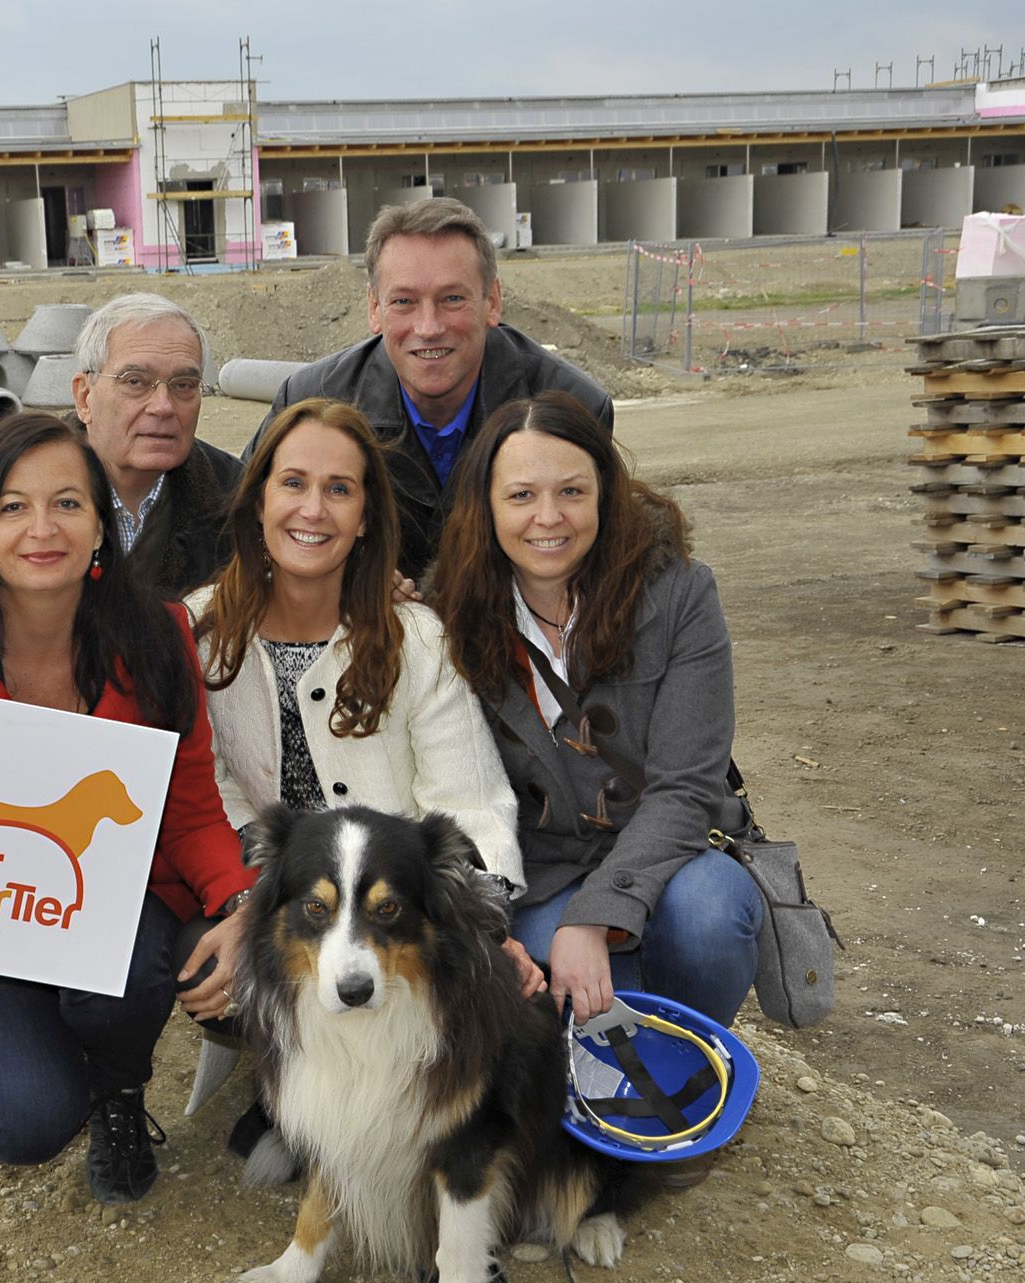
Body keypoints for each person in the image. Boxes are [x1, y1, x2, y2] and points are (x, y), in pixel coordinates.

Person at [0, 411, 256, 1205]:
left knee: (130, 974)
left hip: (105, 914)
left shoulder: (158, 637)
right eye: (13, 507)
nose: (42, 529)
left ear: (104, 524)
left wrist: (242, 904)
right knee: (27, 1121)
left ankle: (121, 1091)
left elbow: (191, 809)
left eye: (67, 503)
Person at [176, 396, 537, 1179]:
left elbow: (468, 801)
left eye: (340, 489)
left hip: (391, 909)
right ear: (259, 498)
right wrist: (248, 903)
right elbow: (205, 795)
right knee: (210, 957)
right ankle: (296, 1090)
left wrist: (487, 925)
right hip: (275, 897)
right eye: (293, 483)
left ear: (368, 516)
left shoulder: (417, 636)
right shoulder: (200, 633)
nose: (314, 508)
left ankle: (376, 1118)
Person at [431, 390, 762, 1038]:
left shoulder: (679, 595)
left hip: (670, 858)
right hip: (541, 873)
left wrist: (595, 916)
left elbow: (687, 786)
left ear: (605, 495)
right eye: (521, 495)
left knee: (709, 917)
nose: (548, 517)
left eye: (573, 492)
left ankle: (692, 1056)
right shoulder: (449, 615)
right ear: (486, 507)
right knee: (592, 1014)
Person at [0, 293, 242, 697]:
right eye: (135, 382)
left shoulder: (237, 498)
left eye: (184, 385)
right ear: (84, 396)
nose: (163, 406)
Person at [247, 198, 614, 581]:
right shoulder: (313, 400)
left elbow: (601, 554)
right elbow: (245, 526)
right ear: (374, 308)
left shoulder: (572, 407)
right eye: (404, 301)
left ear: (493, 301)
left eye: (452, 299)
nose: (429, 327)